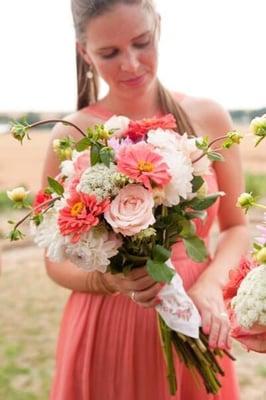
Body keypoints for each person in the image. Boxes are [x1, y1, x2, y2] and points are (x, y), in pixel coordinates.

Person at [42, 1, 249, 399]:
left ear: (159, 27)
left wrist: (211, 285)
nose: (132, 64)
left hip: (195, 314)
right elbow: (54, 258)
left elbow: (237, 225)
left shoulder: (208, 117)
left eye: (142, 43)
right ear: (84, 52)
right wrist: (108, 279)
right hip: (106, 324)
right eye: (109, 53)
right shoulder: (71, 134)